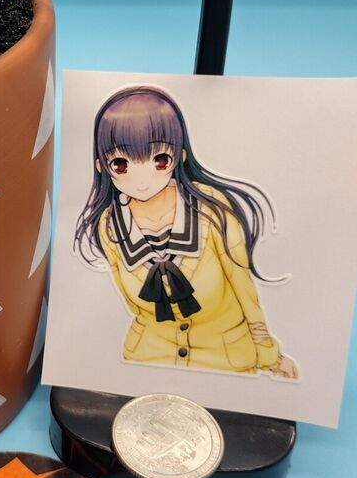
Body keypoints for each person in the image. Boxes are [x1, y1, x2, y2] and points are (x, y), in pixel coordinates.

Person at [74, 85, 298, 379]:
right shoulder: (110, 225)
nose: (142, 180)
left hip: (225, 358)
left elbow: (242, 285)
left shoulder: (210, 209)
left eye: (159, 160)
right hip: (148, 357)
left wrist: (269, 354)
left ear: (179, 155)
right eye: (121, 164)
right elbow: (131, 303)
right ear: (102, 166)